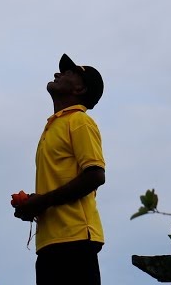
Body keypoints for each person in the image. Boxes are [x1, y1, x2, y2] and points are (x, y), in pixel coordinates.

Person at [13, 53, 106, 285]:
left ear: (80, 89)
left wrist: (41, 202)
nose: (58, 74)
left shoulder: (80, 121)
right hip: (50, 242)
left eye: (69, 73)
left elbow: (95, 175)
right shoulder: (55, 125)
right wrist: (33, 204)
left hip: (75, 240)